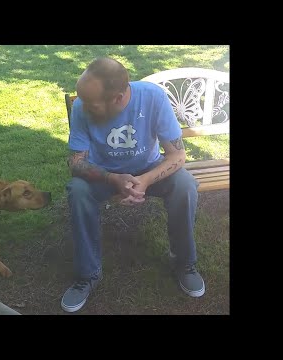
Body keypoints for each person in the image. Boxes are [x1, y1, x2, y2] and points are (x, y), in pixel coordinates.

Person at [61, 57, 204, 313]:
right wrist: (112, 178)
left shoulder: (152, 98)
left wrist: (145, 180)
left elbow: (178, 156)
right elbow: (75, 162)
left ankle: (184, 263)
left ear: (117, 98)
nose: (83, 106)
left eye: (90, 103)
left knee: (185, 184)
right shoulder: (82, 106)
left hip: (147, 170)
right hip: (105, 175)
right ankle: (87, 275)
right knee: (78, 190)